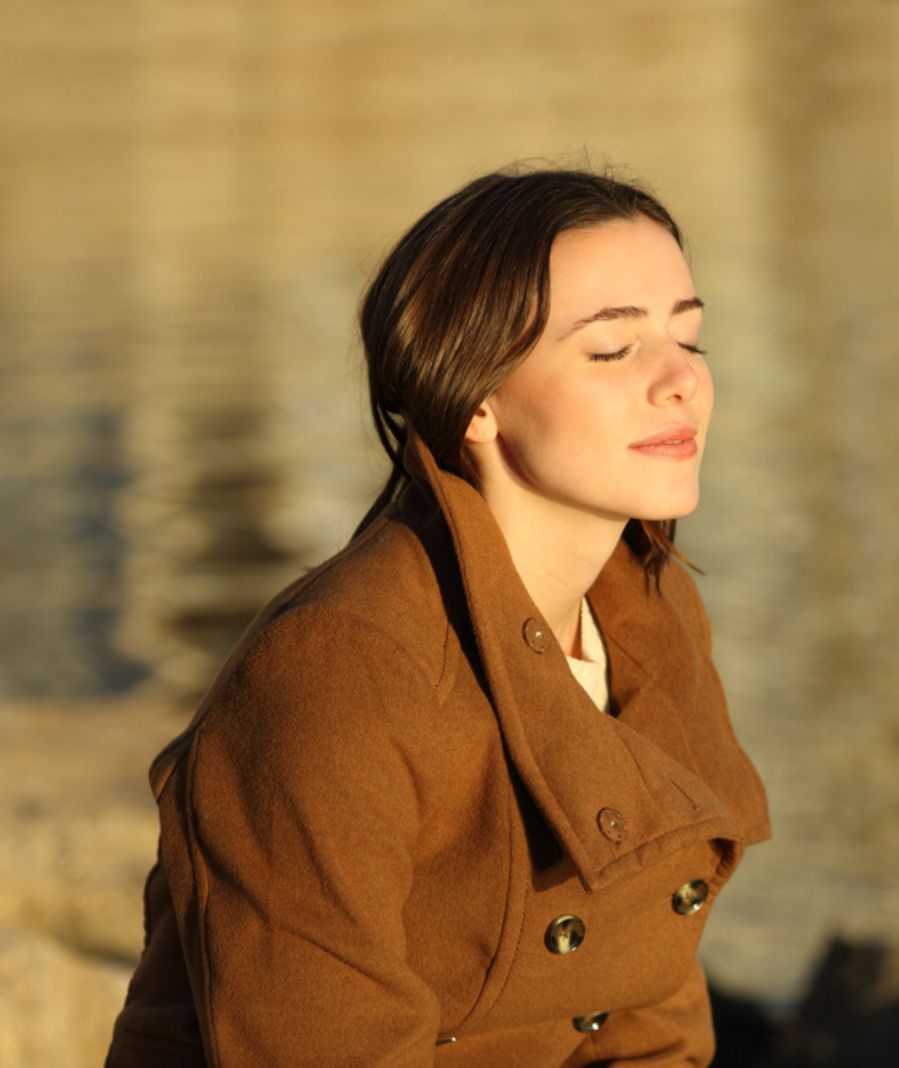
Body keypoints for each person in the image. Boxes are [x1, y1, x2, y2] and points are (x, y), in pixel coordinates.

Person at [105, 167, 770, 1066]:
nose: (681, 381)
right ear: (478, 400)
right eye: (613, 350)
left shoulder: (651, 609)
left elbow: (650, 985)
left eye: (689, 338)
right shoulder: (342, 666)